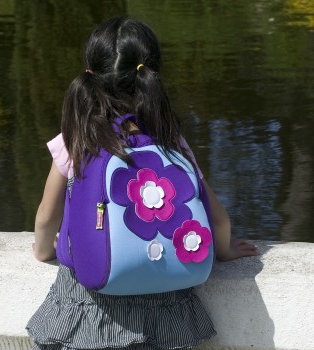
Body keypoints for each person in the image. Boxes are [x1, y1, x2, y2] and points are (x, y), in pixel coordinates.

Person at [26, 16, 258, 350]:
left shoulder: (78, 139)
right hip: (164, 307)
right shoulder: (170, 141)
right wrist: (224, 249)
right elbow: (216, 216)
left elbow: (47, 215)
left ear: (91, 75)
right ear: (151, 76)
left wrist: (44, 250)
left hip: (92, 304)